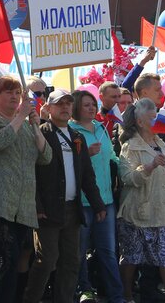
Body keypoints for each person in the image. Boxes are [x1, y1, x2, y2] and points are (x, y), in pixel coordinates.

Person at [0, 76, 52, 303]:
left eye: (17, 92)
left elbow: (46, 157)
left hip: (24, 204)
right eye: (8, 92)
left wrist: (36, 128)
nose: (15, 96)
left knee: (20, 258)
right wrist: (19, 118)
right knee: (7, 258)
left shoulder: (26, 124)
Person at [23, 90, 104, 303]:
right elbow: (29, 174)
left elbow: (87, 175)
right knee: (47, 260)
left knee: (71, 261)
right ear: (48, 109)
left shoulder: (77, 137)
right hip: (47, 210)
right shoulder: (38, 133)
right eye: (60, 104)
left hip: (72, 210)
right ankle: (31, 299)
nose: (66, 107)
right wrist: (37, 206)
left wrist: (98, 205)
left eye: (69, 103)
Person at [118, 98, 165, 303]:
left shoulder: (162, 144)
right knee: (132, 257)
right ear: (140, 122)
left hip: (164, 213)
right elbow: (128, 178)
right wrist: (149, 167)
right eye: (153, 116)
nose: (157, 119)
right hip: (139, 213)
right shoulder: (131, 147)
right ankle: (127, 295)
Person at [69, 89, 124, 303]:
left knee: (108, 251)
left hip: (106, 200)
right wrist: (84, 154)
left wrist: (127, 170)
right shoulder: (70, 131)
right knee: (79, 251)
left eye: (93, 104)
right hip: (82, 201)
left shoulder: (101, 128)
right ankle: (84, 290)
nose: (92, 108)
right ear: (75, 108)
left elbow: (112, 157)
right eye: (86, 105)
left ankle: (116, 295)